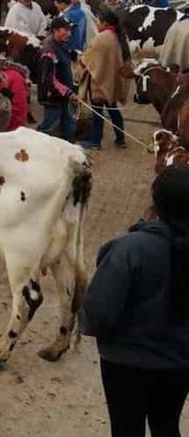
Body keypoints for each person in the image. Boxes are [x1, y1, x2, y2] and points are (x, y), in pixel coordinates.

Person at [80, 164, 189, 437]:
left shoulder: (131, 248)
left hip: (125, 364)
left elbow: (97, 314)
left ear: (156, 201)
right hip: (179, 364)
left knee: (126, 429)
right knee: (166, 425)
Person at [79, 8, 130, 151]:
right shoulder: (119, 36)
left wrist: (80, 59)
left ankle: (95, 141)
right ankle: (120, 140)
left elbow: (85, 61)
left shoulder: (101, 38)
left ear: (105, 22)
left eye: (98, 20)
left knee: (97, 113)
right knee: (114, 111)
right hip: (112, 80)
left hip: (99, 81)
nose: (96, 23)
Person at [37, 17, 78, 139]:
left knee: (69, 126)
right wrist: (68, 93)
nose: (69, 33)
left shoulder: (62, 45)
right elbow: (50, 80)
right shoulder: (49, 51)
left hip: (64, 95)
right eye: (65, 30)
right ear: (54, 30)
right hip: (53, 97)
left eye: (70, 30)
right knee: (48, 128)